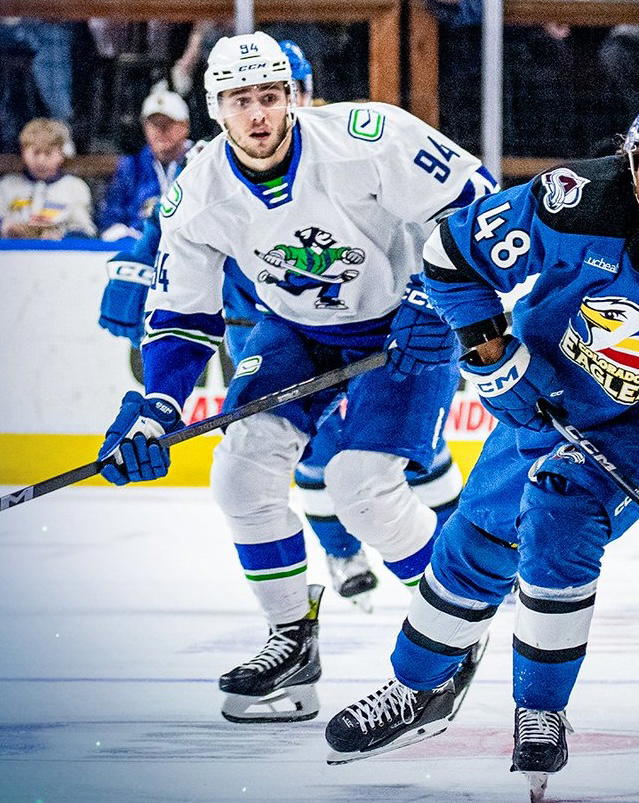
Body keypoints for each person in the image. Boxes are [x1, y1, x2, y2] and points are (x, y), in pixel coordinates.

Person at [324, 76, 639, 797]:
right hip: (545, 397)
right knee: (478, 538)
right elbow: (451, 254)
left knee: (558, 514)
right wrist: (491, 355)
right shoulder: (575, 199)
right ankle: (418, 687)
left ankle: (540, 710)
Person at [95, 31, 496, 724]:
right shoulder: (197, 192)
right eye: (240, 100)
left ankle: (454, 628)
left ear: (292, 96)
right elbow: (183, 316)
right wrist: (157, 405)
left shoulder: (368, 136)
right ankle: (292, 639)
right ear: (215, 108)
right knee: (239, 473)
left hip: (405, 322)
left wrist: (438, 295)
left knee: (360, 486)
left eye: (270, 96)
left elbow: (477, 201)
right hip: (297, 328)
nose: (258, 114)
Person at [98, 87, 192, 238]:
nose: (160, 131)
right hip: (139, 243)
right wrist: (120, 232)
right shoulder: (131, 167)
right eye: (154, 125)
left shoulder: (200, 161)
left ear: (185, 126)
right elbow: (110, 216)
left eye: (167, 124)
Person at [0, 117, 95, 239]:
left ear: (61, 154)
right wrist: (8, 229)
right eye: (35, 153)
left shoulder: (75, 187)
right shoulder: (7, 185)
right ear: (23, 152)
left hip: (58, 249)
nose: (41, 161)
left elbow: (85, 230)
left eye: (48, 153)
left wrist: (61, 235)